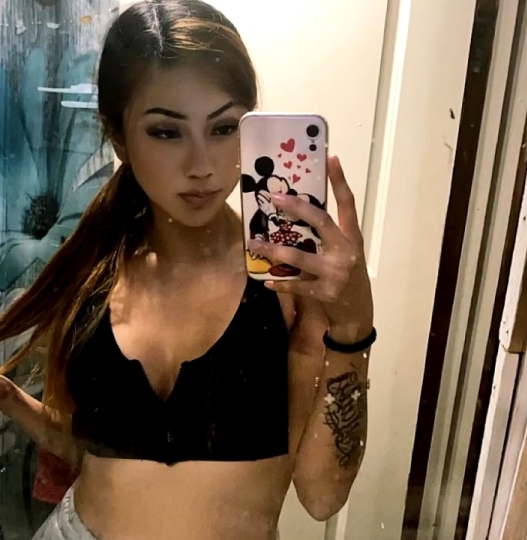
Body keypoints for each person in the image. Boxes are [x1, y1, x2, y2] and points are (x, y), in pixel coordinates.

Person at [0, 1, 374, 539]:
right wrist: (11, 401)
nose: (201, 165)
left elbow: (322, 495)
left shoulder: (287, 280)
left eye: (223, 128)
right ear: (118, 137)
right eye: (166, 132)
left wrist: (354, 327)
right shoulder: (95, 272)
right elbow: (93, 451)